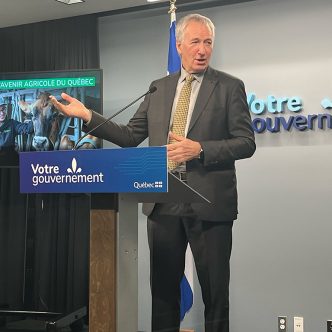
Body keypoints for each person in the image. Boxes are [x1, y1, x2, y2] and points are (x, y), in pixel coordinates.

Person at [50, 13, 256, 332]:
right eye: (195, 42)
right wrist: (87, 115)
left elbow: (246, 143)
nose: (202, 49)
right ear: (179, 45)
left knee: (216, 296)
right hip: (164, 203)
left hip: (210, 205)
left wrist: (199, 148)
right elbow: (131, 135)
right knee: (162, 295)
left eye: (208, 42)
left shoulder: (229, 87)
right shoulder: (159, 88)